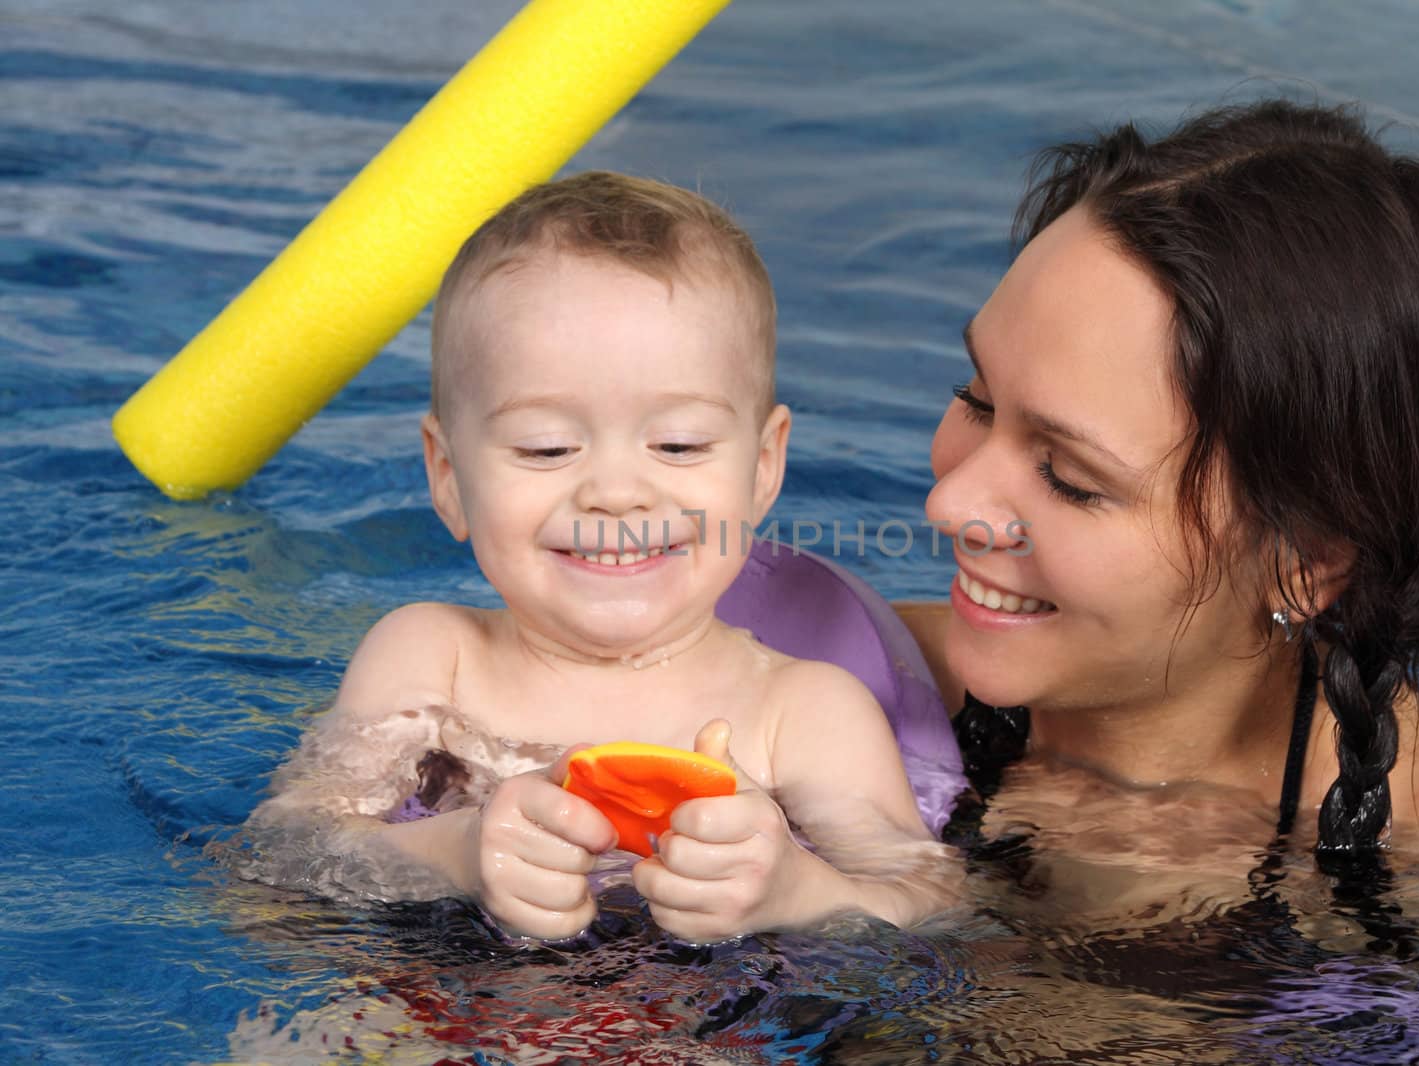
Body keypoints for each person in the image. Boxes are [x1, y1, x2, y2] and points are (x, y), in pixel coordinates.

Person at [237, 171, 955, 943]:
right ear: (447, 478)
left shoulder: (802, 712)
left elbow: (931, 901)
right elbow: (282, 852)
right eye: (547, 447)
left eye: (678, 444)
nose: (616, 493)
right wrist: (455, 851)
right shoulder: (429, 660)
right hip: (435, 993)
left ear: (763, 468)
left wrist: (797, 890)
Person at [895, 98, 1419, 876]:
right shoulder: (840, 674)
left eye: (1070, 480)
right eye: (978, 401)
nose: (947, 505)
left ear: (1307, 563)